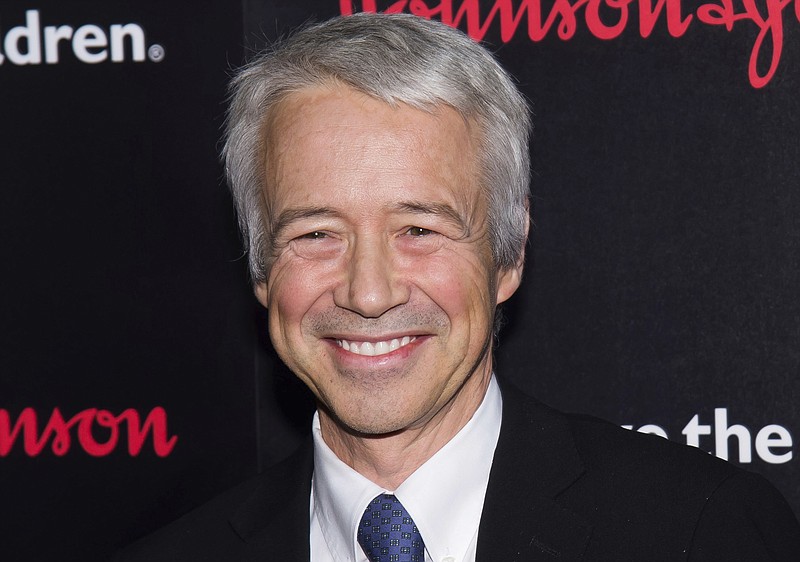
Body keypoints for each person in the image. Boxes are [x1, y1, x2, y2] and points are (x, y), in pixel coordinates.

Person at [116, 12, 800, 562]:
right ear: (262, 268)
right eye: (316, 234)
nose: (370, 293)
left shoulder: (699, 533)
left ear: (508, 253)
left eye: (418, 229)